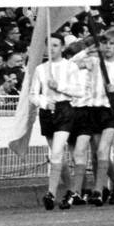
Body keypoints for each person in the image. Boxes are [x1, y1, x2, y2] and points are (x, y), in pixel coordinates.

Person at [68, 30, 114, 206]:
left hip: (110, 110)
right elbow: (71, 65)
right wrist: (87, 50)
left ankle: (98, 190)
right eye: (104, 43)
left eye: (112, 44)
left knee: (103, 150)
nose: (108, 47)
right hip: (93, 110)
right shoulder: (94, 62)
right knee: (96, 155)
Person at [31, 34, 79, 210]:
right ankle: (72, 190)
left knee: (57, 152)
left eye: (56, 45)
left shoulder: (70, 67)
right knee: (58, 156)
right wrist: (43, 102)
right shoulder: (40, 69)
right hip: (47, 112)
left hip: (64, 110)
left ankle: (50, 192)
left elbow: (78, 90)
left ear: (62, 47)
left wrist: (58, 86)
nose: (52, 49)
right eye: (49, 45)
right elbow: (33, 94)